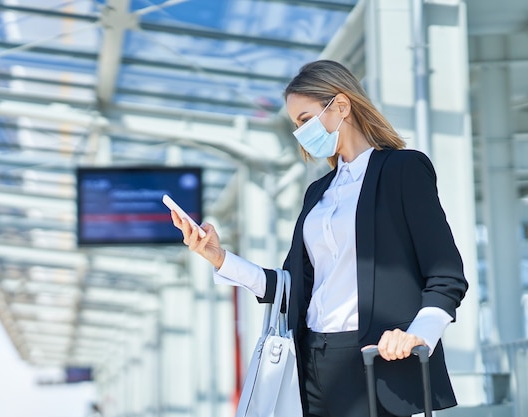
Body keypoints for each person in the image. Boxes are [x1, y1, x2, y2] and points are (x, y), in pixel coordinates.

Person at [170, 60, 468, 417]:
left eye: (305, 119)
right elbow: (291, 286)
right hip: (313, 361)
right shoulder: (318, 192)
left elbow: (446, 272)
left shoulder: (402, 170)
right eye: (296, 124)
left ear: (342, 106)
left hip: (379, 359)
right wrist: (219, 257)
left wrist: (420, 333)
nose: (301, 133)